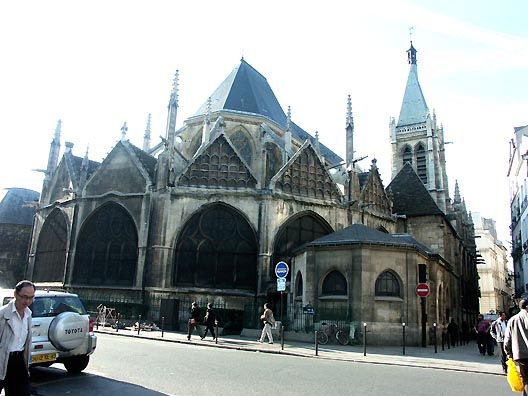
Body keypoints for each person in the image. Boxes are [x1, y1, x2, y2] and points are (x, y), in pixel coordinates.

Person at [0, 280, 35, 396]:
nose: (27, 301)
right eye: (24, 297)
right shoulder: (3, 314)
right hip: (2, 359)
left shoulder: (28, 315)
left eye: (31, 298)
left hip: (19, 360)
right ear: (15, 294)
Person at [505, 299, 528, 395]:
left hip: (520, 355)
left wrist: (509, 353)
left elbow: (507, 340)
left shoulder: (512, 320)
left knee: (525, 378)